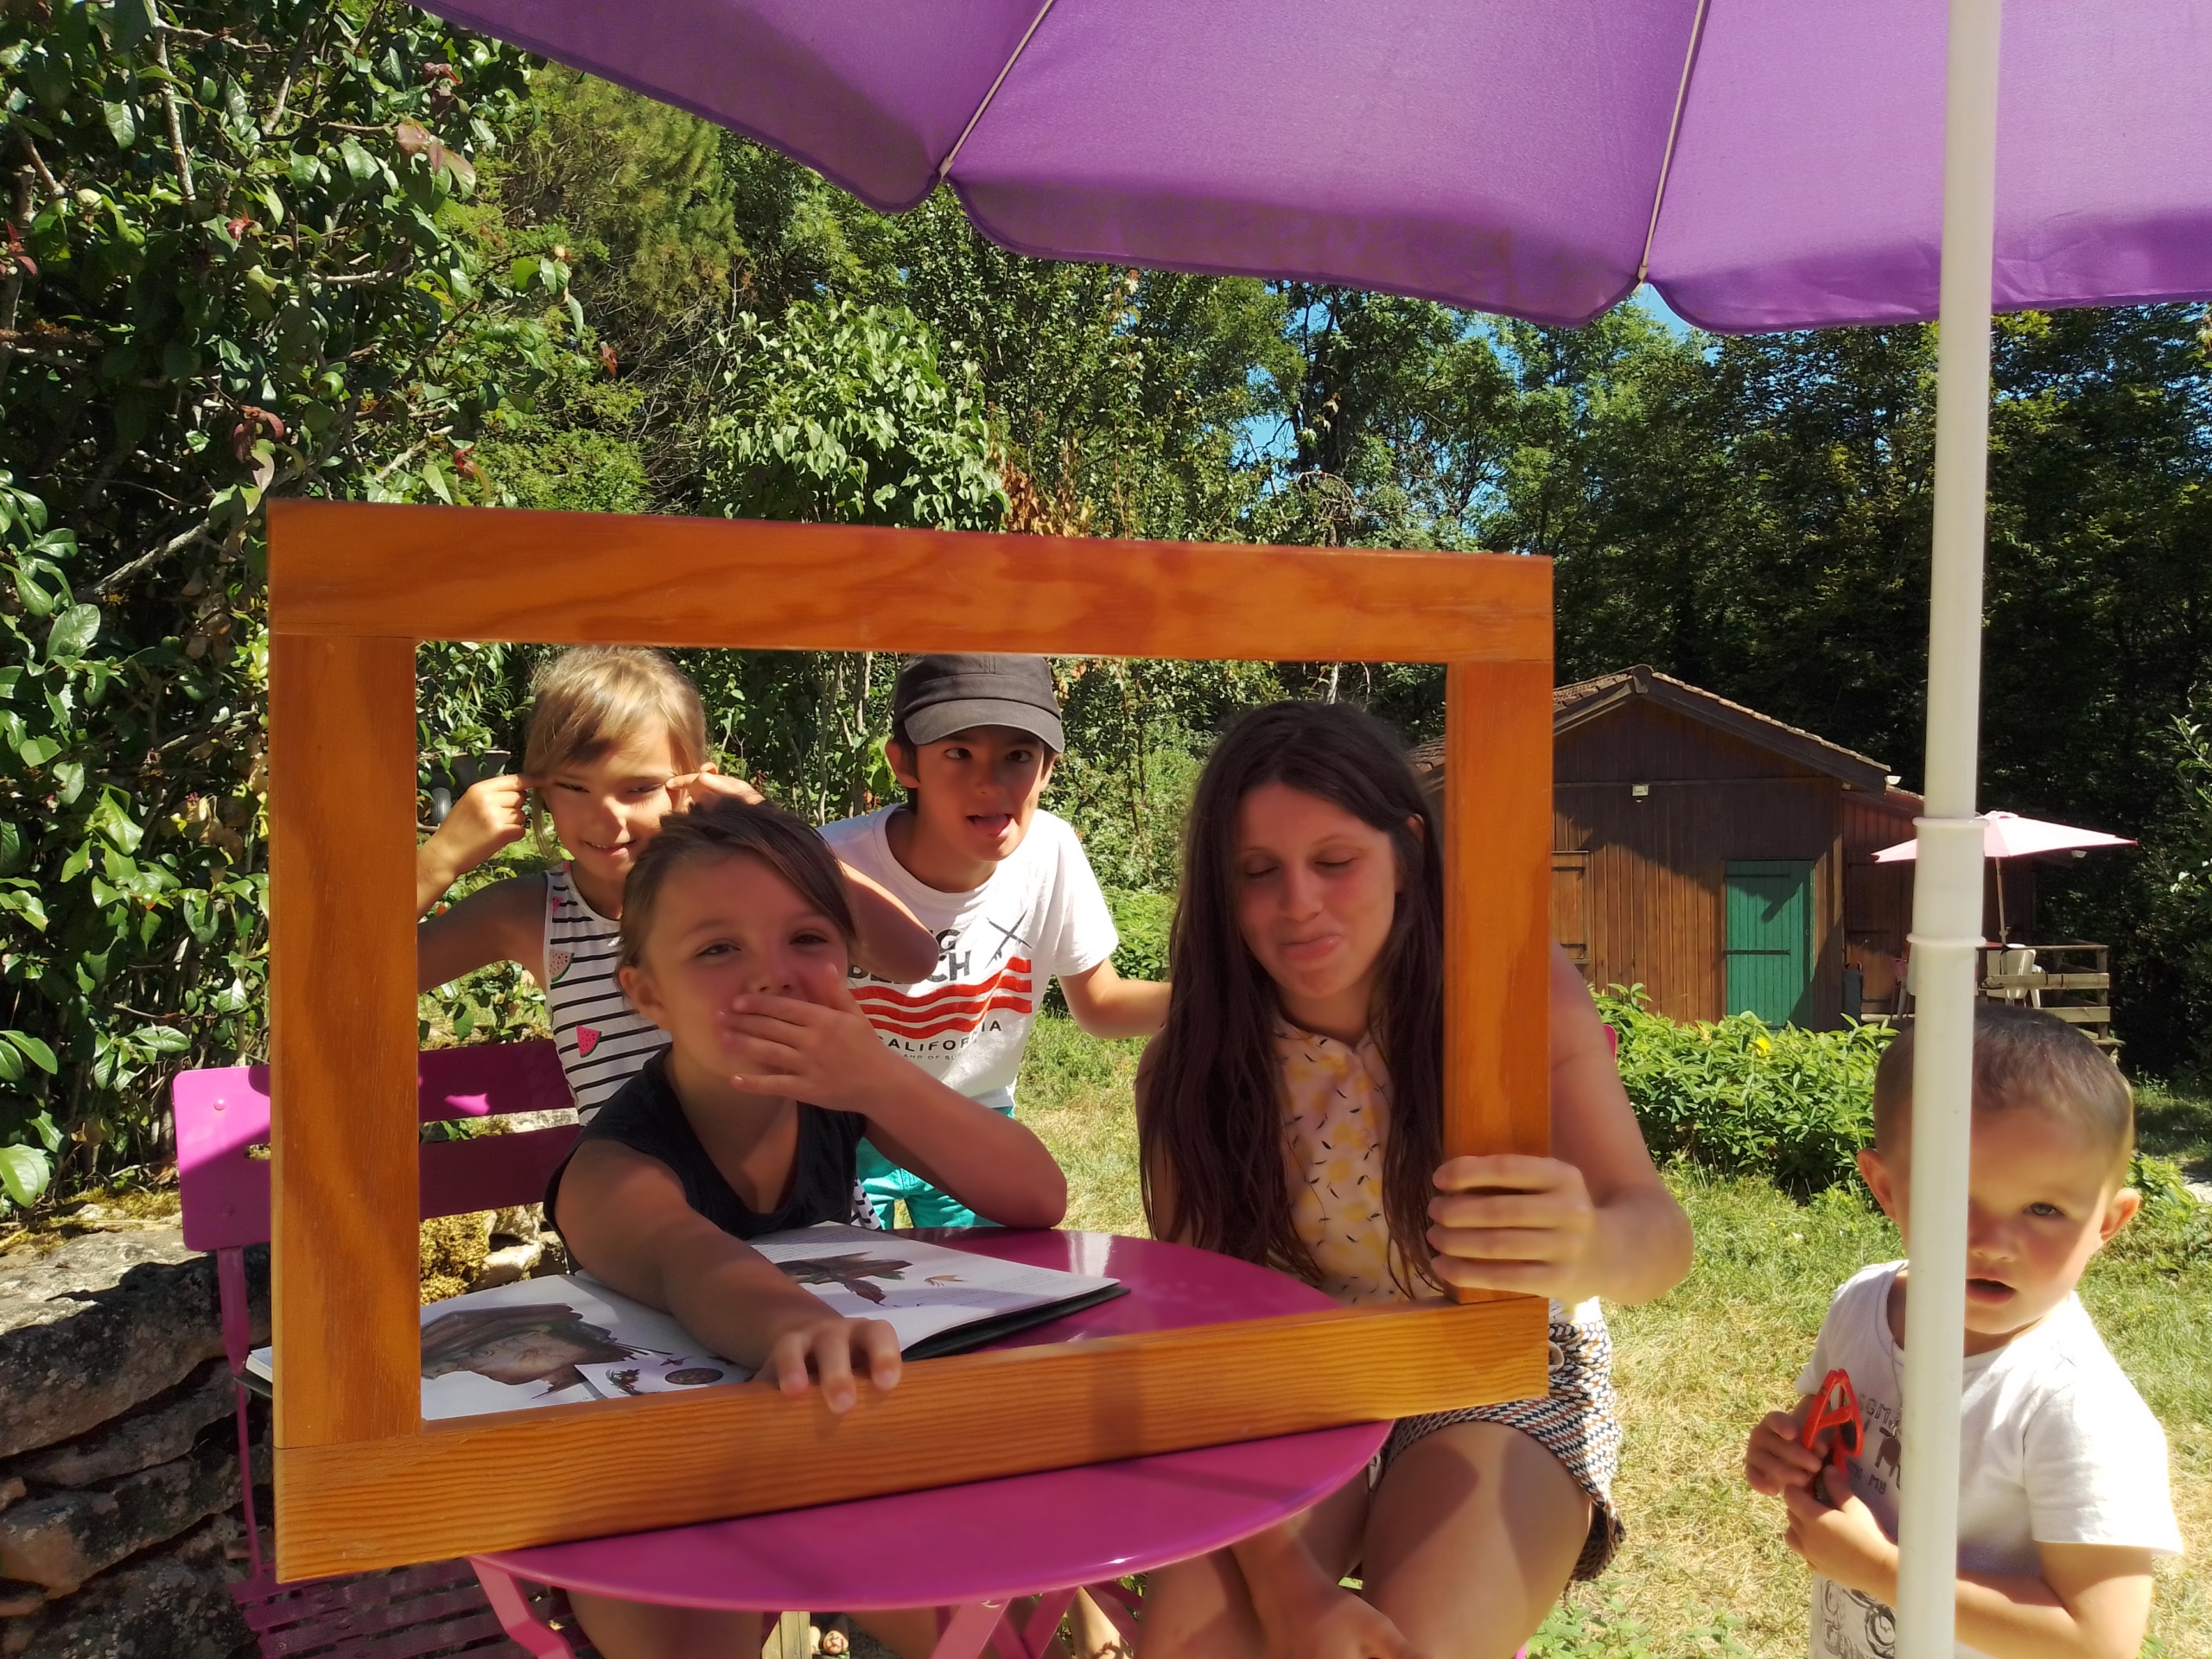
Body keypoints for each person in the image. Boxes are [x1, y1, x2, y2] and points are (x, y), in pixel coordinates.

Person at [1134, 702, 1692, 1659]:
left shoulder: (1511, 991)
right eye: (1257, 871)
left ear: (1407, 850)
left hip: (1503, 1364)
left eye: (1334, 861)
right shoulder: (1188, 1067)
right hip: (1287, 1385)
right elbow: (1210, 1357)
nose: (1298, 902)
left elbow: (1660, 1237)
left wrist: (1592, 1244)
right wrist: (1294, 1595)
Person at [546, 796, 1068, 1659]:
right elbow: (690, 1261)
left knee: (974, 1630)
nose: (773, 977)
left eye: (808, 939)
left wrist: (882, 1080)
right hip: (648, 1484)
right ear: (647, 994)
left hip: (828, 1440)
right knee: (681, 1626)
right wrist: (795, 1324)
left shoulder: (838, 1095)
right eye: (718, 950)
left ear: (849, 961)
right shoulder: (614, 1168)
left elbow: (1035, 1196)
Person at [1744, 1006, 2182, 1659]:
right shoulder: (1862, 1305)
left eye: (2044, 1208)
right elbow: (1823, 1425)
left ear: (2108, 1223)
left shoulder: (2077, 1407)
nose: (1993, 1243)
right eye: (1955, 1198)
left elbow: (2098, 1639)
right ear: (1887, 1188)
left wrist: (1884, 1573)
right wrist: (1786, 1450)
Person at [416, 646, 937, 1118]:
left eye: (639, 788)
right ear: (538, 787)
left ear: (696, 782)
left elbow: (913, 958)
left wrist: (774, 832)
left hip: (795, 1179)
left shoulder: (754, 885)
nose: (607, 819)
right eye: (574, 787)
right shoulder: (531, 914)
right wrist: (439, 860)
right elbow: (375, 979)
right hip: (633, 1185)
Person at [823, 654, 1168, 1226]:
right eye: (958, 753)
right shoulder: (827, 862)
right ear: (903, 763)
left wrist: (1234, 997)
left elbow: (1101, 1003)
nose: (990, 782)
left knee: (992, 1283)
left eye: (1018, 756)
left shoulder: (1052, 852)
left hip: (975, 1130)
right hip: (845, 1127)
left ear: (1049, 767)